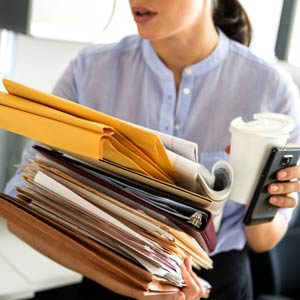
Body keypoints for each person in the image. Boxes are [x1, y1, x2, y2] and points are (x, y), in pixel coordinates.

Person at [4, 0, 300, 299]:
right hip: (109, 274)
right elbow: (21, 203)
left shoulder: (272, 89)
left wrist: (264, 196)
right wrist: (132, 286)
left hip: (220, 284)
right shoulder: (90, 70)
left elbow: (263, 242)